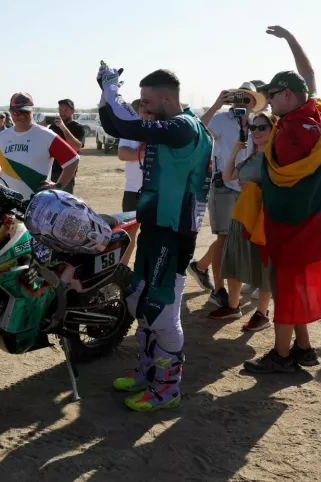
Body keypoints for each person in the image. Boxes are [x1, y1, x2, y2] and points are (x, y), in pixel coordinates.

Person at [99, 64, 212, 412]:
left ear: (167, 97)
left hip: (174, 234)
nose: (143, 108)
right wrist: (104, 92)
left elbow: (128, 122)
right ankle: (147, 372)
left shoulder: (184, 126)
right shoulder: (168, 126)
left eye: (147, 101)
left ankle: (167, 388)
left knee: (162, 311)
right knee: (138, 302)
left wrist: (112, 90)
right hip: (155, 228)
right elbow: (115, 124)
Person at [244, 58, 321, 373]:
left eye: (272, 95)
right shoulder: (317, 115)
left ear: (287, 94)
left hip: (294, 226)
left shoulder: (291, 131)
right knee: (295, 287)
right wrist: (289, 38)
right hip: (315, 224)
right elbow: (310, 76)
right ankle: (303, 348)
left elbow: (284, 180)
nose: (269, 102)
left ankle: (281, 355)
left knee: (286, 287)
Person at [189, 84, 255, 312]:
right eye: (238, 98)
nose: (241, 103)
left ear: (254, 102)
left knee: (241, 239)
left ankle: (200, 267)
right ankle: (218, 290)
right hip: (224, 186)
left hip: (248, 188)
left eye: (247, 99)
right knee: (224, 239)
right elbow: (197, 129)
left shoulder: (258, 123)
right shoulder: (220, 119)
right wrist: (218, 103)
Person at [219, 112, 278, 330]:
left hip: (263, 219)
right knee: (234, 260)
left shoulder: (277, 160)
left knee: (264, 266)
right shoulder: (251, 158)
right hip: (242, 217)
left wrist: (256, 188)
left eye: (262, 127)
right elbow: (227, 176)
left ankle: (262, 314)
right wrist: (235, 149)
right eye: (253, 127)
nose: (256, 131)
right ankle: (233, 306)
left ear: (274, 130)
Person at [0, 93, 79, 200]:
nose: (22, 116)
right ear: (10, 111)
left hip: (38, 204)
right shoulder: (1, 138)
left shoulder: (47, 135)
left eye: (26, 112)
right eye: (17, 112)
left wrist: (58, 186)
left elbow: (73, 160)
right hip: (9, 205)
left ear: (33, 110)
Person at [117, 98, 148, 266]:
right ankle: (122, 271)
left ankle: (145, 273)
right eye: (142, 106)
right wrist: (144, 152)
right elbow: (122, 154)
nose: (145, 109)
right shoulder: (130, 131)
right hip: (133, 191)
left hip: (156, 192)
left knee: (151, 237)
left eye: (148, 105)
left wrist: (136, 153)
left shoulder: (163, 129)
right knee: (129, 235)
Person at [43, 99, 85, 194]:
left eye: (65, 110)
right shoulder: (53, 127)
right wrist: (42, 126)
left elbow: (76, 147)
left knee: (64, 202)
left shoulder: (78, 127)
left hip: (67, 172)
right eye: (60, 110)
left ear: (73, 111)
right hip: (51, 171)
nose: (62, 113)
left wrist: (63, 127)